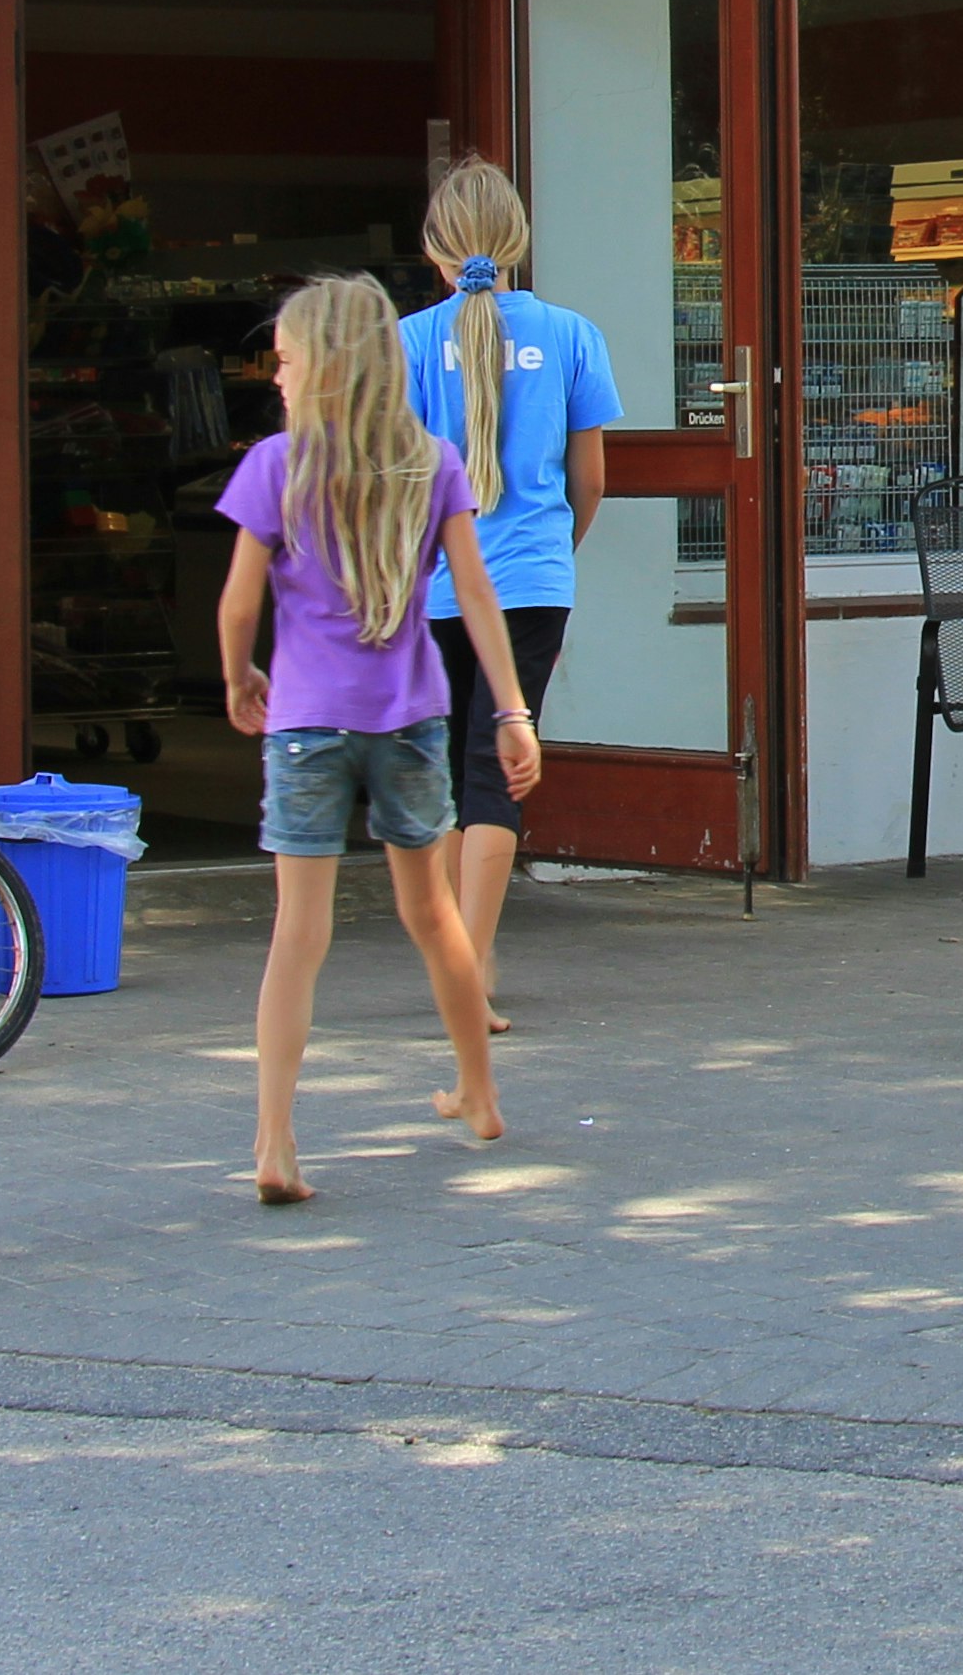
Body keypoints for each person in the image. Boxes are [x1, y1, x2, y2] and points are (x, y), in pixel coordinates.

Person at [220, 273, 546, 1197]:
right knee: (433, 915)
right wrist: (514, 709)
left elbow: (240, 600)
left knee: (299, 933)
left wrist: (241, 672)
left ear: (322, 365)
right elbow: (476, 595)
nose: (275, 377)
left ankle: (276, 1141)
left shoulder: (276, 466)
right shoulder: (432, 460)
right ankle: (477, 1092)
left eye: (283, 361)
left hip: (304, 728)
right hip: (408, 722)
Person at [400, 160, 621, 1032]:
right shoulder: (572, 334)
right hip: (531, 582)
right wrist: (550, 558)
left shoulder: (412, 340)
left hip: (437, 586)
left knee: (446, 770)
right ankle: (475, 957)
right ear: (519, 243)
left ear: (433, 248)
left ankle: (452, 957)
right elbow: (592, 479)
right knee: (498, 767)